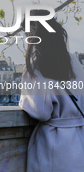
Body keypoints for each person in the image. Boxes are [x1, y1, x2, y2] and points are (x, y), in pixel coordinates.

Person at [19, 10, 84, 172]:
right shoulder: (72, 60)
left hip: (53, 144)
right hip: (79, 139)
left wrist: (23, 101)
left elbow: (40, 111)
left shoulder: (36, 63)